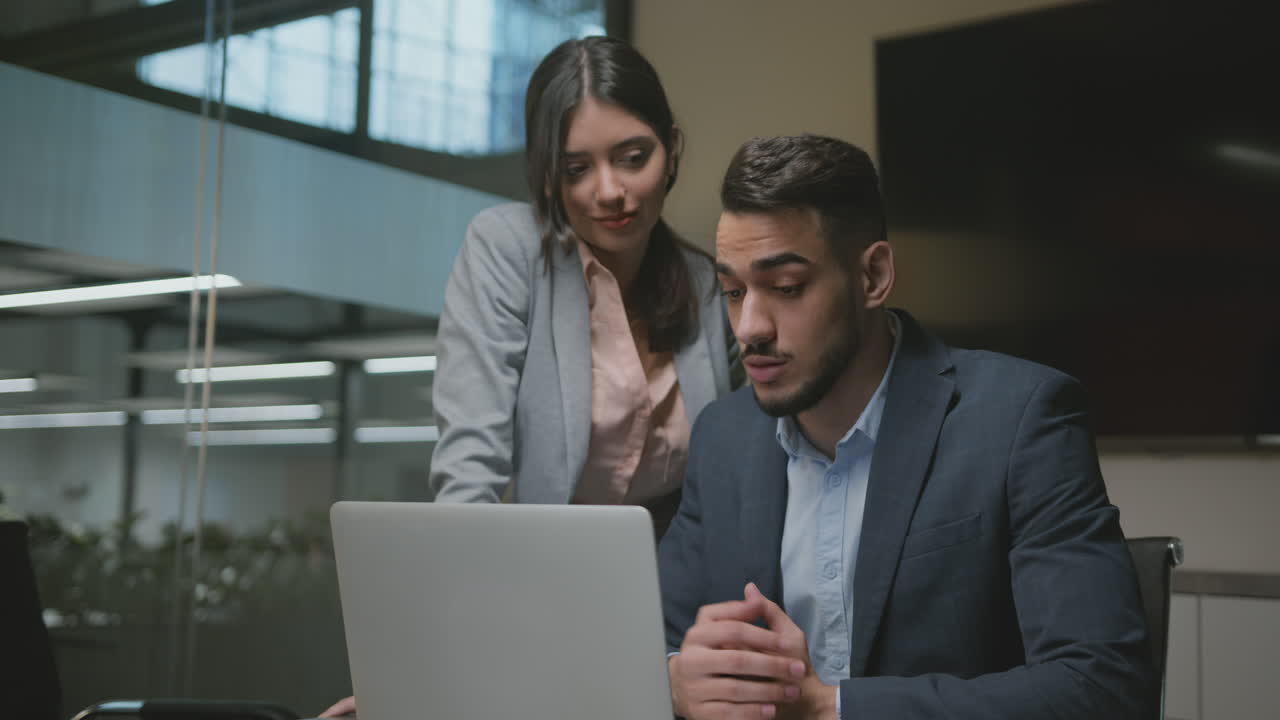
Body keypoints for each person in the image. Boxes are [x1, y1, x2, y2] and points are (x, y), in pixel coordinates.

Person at [659, 134, 1153, 720]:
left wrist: (828, 709)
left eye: (787, 288)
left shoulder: (1022, 417)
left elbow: (1101, 687)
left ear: (872, 276)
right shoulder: (723, 436)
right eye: (733, 291)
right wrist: (675, 681)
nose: (749, 327)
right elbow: (655, 643)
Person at [319, 35, 739, 719]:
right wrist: (428, 668)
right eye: (577, 168)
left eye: (634, 157)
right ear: (547, 176)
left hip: (675, 618)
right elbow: (470, 469)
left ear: (671, 149)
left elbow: (733, 482)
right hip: (524, 602)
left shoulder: (705, 284)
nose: (610, 191)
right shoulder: (508, 248)